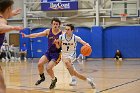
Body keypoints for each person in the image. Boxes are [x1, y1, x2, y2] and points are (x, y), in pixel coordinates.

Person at [22, 18, 62, 89]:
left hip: (56, 54)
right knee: (40, 64)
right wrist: (27, 36)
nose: (55, 25)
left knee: (48, 68)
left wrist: (56, 44)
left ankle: (53, 79)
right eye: (54, 24)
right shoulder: (48, 31)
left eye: (57, 24)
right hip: (49, 52)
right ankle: (42, 77)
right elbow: (37, 34)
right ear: (51, 24)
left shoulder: (62, 34)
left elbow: (59, 47)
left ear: (59, 25)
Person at [54, 24, 96, 88]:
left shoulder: (75, 38)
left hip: (72, 54)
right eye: (66, 29)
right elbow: (58, 47)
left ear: (72, 30)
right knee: (75, 73)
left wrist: (88, 45)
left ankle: (73, 79)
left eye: (68, 29)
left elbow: (84, 43)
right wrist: (56, 43)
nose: (66, 31)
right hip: (64, 55)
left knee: (67, 62)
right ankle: (89, 81)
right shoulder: (61, 37)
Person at [0, 0, 23, 92]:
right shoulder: (2, 20)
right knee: (1, 86)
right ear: (8, 8)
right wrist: (13, 28)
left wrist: (12, 14)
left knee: (1, 85)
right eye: (11, 9)